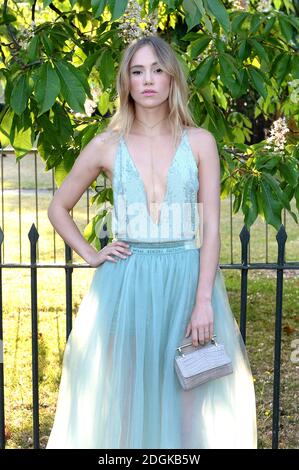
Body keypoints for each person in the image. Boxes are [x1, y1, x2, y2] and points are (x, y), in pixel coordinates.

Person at [46, 35, 257, 449]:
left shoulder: (201, 143)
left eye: (157, 70)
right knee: (124, 391)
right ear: (125, 81)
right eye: (137, 71)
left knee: (189, 390)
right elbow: (58, 207)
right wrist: (90, 254)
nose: (147, 80)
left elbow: (211, 227)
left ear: (172, 78)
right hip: (125, 282)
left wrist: (202, 301)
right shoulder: (106, 145)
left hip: (185, 278)